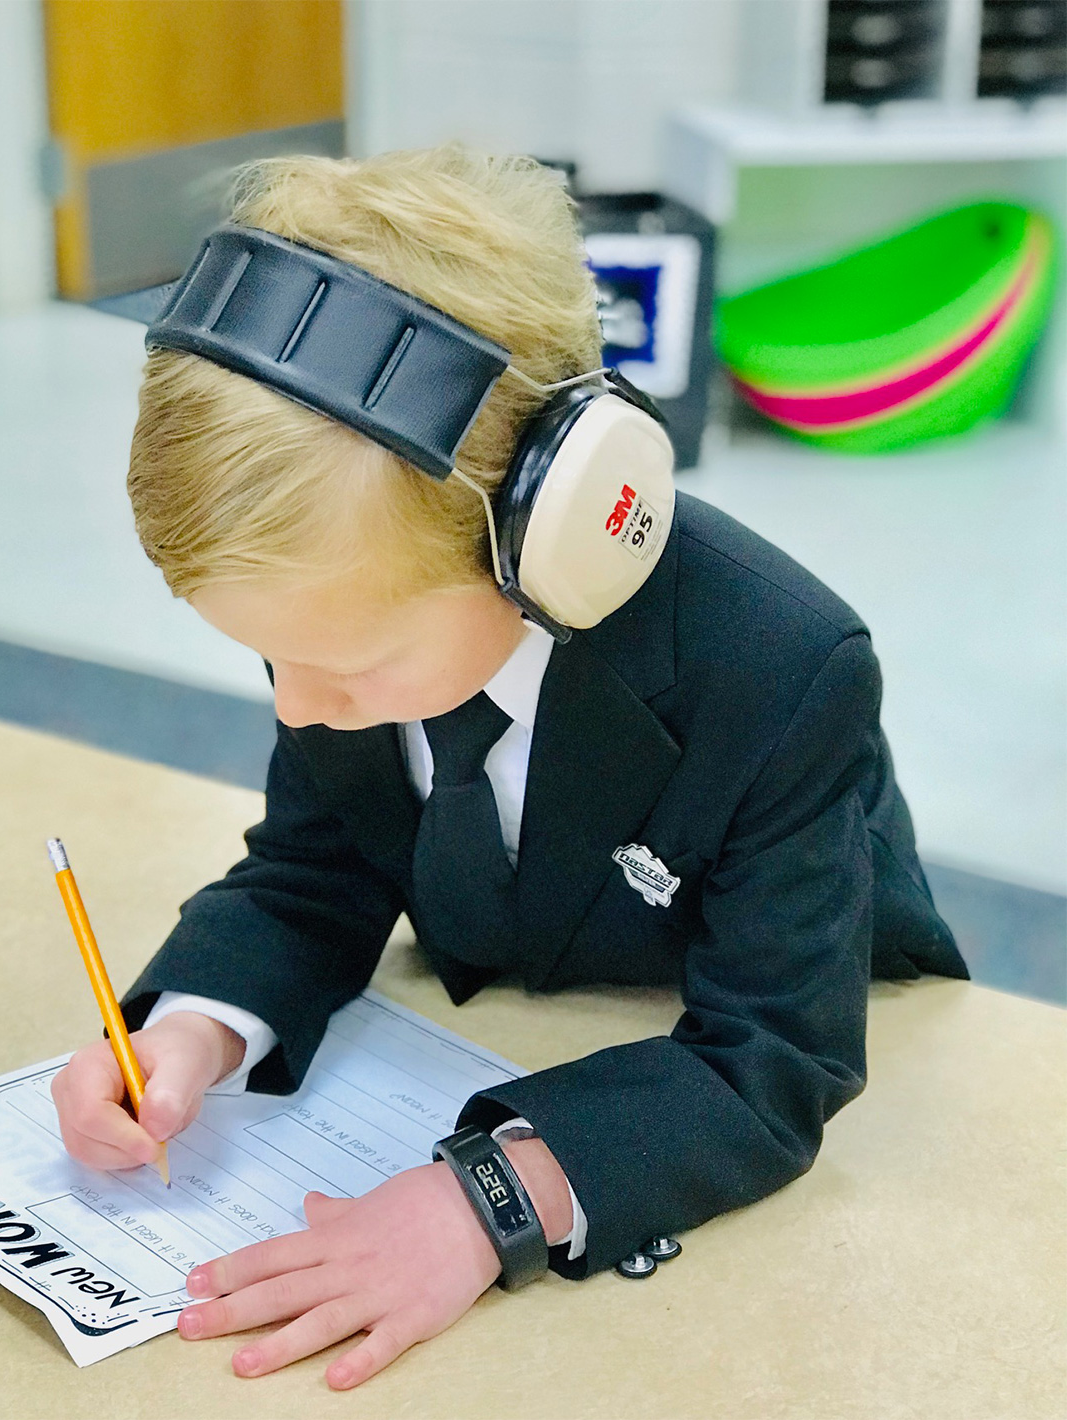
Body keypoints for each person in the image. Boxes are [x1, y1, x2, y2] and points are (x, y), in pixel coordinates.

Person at [50, 145, 967, 1390]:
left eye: (350, 665)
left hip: (788, 1020)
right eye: (276, 659)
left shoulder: (783, 666)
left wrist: (485, 1200)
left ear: (558, 537)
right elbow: (319, 863)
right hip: (500, 986)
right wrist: (197, 1031)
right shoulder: (343, 628)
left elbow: (778, 1057)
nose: (306, 707)